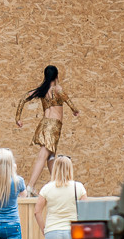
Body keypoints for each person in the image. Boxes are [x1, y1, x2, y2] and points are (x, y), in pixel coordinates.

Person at [15, 65, 81, 194]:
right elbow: (69, 102)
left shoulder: (42, 90)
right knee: (43, 156)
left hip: (44, 124)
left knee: (51, 157)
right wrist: (75, 111)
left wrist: (18, 118)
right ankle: (30, 186)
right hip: (53, 126)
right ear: (56, 76)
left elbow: (23, 99)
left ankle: (57, 186)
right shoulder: (58, 89)